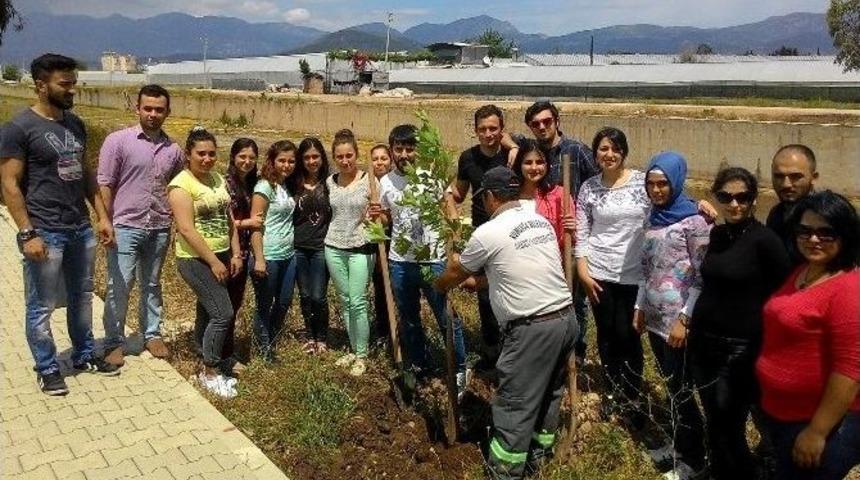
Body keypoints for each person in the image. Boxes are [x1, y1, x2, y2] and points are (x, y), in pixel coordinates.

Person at [434, 166, 576, 480]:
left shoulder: (489, 231)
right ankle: (538, 460)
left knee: (515, 403)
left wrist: (440, 284)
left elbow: (456, 270)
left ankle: (505, 472)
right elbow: (520, 268)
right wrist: (484, 282)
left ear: (491, 197)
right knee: (549, 394)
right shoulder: (537, 221)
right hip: (565, 319)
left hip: (532, 329)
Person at [0, 53, 119, 395]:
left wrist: (101, 217)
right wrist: (27, 232)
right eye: (64, 84)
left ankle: (83, 354)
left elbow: (87, 176)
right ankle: (47, 367)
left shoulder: (75, 123)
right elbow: (9, 184)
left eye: (73, 84)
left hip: (79, 228)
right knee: (41, 304)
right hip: (45, 230)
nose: (72, 91)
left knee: (82, 296)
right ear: (40, 86)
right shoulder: (18, 129)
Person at [689, 167, 792, 480]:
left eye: (742, 197)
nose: (734, 204)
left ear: (753, 200)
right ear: (716, 198)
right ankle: (719, 470)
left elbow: (782, 297)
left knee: (729, 425)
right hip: (704, 342)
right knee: (714, 420)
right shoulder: (718, 235)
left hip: (739, 349)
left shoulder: (765, 241)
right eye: (726, 197)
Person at [756, 191, 859, 480]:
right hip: (784, 415)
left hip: (817, 423)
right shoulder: (805, 270)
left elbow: (850, 370)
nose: (813, 239)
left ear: (846, 236)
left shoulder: (848, 289)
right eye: (805, 230)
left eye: (826, 232)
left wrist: (817, 431)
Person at [634, 152, 710, 477]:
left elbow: (703, 275)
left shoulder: (695, 220)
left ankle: (695, 459)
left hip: (678, 324)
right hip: (654, 319)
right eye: (651, 184)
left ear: (676, 182)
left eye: (663, 183)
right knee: (669, 385)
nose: (657, 190)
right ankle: (680, 445)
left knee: (681, 390)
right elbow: (646, 268)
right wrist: (639, 308)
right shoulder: (653, 216)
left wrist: (685, 319)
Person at [97, 84, 184, 366]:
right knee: (120, 284)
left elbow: (179, 188)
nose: (153, 114)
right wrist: (105, 221)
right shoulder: (118, 141)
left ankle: (151, 333)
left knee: (152, 282)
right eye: (147, 108)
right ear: (137, 109)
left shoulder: (174, 150)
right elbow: (105, 184)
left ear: (167, 112)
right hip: (125, 225)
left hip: (159, 226)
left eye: (159, 110)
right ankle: (114, 340)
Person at [507, 100, 599, 364]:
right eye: (535, 124)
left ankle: (576, 350)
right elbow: (504, 134)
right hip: (539, 245)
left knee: (575, 300)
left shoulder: (577, 151)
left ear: (557, 121)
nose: (542, 127)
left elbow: (599, 184)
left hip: (571, 238)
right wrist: (512, 145)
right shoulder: (528, 152)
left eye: (547, 121)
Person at [379, 124, 468, 396]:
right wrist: (376, 217)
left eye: (410, 148)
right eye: (399, 149)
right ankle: (419, 364)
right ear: (392, 150)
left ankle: (460, 366)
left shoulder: (433, 178)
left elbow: (451, 211)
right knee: (408, 318)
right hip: (400, 262)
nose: (404, 154)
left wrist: (457, 247)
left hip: (433, 260)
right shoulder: (385, 183)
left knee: (445, 316)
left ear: (418, 150)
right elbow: (386, 219)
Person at [575, 127, 648, 423]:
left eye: (615, 148)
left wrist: (700, 206)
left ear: (624, 152)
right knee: (606, 335)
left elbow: (669, 201)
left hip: (634, 275)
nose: (609, 154)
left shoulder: (643, 182)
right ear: (595, 154)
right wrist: (583, 270)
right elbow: (581, 230)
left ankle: (632, 396)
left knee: (628, 334)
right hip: (599, 273)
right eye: (603, 149)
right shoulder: (589, 188)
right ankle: (611, 391)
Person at [168, 127, 243, 398]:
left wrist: (235, 253)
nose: (207, 158)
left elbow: (229, 220)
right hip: (196, 259)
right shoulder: (181, 185)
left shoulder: (217, 179)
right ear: (188, 154)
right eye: (201, 153)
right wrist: (213, 262)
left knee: (207, 311)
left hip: (222, 253)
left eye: (212, 153)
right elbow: (187, 229)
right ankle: (210, 371)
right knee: (223, 313)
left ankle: (204, 356)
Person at [450, 104, 512, 366]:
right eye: (483, 129)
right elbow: (458, 192)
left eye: (493, 129)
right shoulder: (468, 158)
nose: (488, 134)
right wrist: (448, 204)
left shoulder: (513, 155)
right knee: (485, 296)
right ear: (475, 131)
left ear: (502, 130)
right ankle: (490, 351)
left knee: (510, 291)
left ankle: (512, 350)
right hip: (482, 233)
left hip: (511, 233)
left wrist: (514, 146)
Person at [324, 129, 377, 377]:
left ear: (356, 154)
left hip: (361, 247)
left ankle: (362, 355)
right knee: (345, 301)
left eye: (349, 156)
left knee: (358, 302)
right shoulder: (330, 182)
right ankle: (352, 348)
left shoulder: (370, 180)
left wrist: (378, 215)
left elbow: (383, 213)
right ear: (334, 158)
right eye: (340, 157)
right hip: (333, 246)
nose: (345, 161)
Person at [249, 140, 298, 362]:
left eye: (291, 161)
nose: (286, 165)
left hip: (288, 254)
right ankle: (263, 349)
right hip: (268, 255)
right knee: (264, 303)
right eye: (282, 161)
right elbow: (255, 226)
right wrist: (259, 259)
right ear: (272, 160)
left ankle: (273, 338)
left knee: (285, 300)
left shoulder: (285, 185)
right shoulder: (264, 187)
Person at [221, 137, 260, 372]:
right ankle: (222, 355)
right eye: (242, 157)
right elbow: (225, 221)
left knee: (233, 305)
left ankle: (221, 350)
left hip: (243, 253)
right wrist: (250, 222)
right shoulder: (225, 185)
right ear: (233, 158)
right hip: (227, 252)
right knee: (222, 307)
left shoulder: (250, 184)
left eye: (252, 158)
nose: (247, 161)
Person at [292, 137, 332, 354]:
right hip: (298, 247)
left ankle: (322, 336)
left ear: (322, 158)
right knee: (305, 295)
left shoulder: (330, 183)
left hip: (321, 247)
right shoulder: (293, 184)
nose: (311, 161)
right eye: (306, 157)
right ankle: (309, 336)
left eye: (315, 156)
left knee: (319, 295)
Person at [512, 138, 575, 251]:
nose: (534, 168)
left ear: (547, 165)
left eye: (539, 162)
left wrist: (571, 231)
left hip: (551, 261)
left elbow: (567, 242)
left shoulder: (560, 195)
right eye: (528, 162)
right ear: (519, 165)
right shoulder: (510, 197)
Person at [767, 144, 819, 262]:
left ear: (814, 178)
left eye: (796, 177)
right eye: (779, 176)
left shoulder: (829, 216)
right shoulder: (776, 215)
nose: (786, 184)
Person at [369, 143, 393, 342]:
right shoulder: (367, 184)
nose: (379, 163)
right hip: (373, 242)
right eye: (375, 159)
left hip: (393, 241)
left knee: (393, 288)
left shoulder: (393, 183)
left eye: (383, 158)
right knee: (379, 287)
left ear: (390, 161)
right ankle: (383, 330)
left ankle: (397, 330)